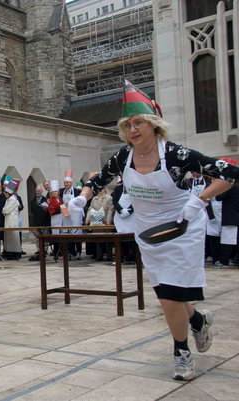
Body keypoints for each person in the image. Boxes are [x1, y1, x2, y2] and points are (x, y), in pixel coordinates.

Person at [67, 80, 239, 381]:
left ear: (153, 125)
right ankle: (196, 319)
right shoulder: (124, 157)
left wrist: (198, 201)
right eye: (128, 125)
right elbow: (97, 181)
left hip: (183, 227)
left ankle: (181, 352)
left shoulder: (177, 155)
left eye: (139, 123)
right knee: (168, 290)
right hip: (150, 231)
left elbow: (230, 173)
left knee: (169, 295)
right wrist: (81, 197)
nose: (133, 130)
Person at [85, 187, 114, 261]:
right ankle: (99, 255)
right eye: (98, 190)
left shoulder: (109, 198)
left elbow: (111, 210)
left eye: (101, 189)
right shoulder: (94, 198)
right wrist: (87, 219)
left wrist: (108, 220)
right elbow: (90, 209)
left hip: (105, 220)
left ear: (104, 189)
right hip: (96, 220)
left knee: (108, 240)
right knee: (98, 239)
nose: (100, 191)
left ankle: (109, 256)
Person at [60, 172, 83, 259]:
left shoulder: (77, 191)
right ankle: (71, 252)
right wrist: (63, 207)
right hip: (66, 216)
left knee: (76, 234)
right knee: (68, 234)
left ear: (71, 183)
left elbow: (80, 203)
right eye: (65, 182)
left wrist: (70, 204)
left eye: (68, 182)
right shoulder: (62, 191)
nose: (66, 184)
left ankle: (79, 252)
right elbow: (61, 203)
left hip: (75, 215)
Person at [112, 178, 135, 263]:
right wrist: (121, 210)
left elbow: (137, 200)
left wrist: (129, 210)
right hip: (120, 217)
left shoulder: (135, 188)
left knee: (133, 238)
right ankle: (120, 257)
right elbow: (114, 201)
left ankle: (134, 257)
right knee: (120, 238)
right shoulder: (118, 188)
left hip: (133, 216)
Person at [29, 185, 50, 261]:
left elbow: (48, 211)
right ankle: (39, 250)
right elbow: (32, 211)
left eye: (39, 191)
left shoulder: (46, 200)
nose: (38, 192)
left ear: (42, 191)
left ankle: (44, 250)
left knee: (45, 237)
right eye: (36, 191)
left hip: (44, 221)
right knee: (37, 238)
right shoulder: (32, 201)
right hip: (36, 222)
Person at [3, 180, 22, 260]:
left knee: (14, 237)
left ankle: (16, 253)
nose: (5, 195)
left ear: (9, 193)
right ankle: (9, 253)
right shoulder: (8, 200)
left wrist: (4, 210)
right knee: (9, 237)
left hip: (12, 220)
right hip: (8, 219)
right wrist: (4, 210)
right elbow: (4, 210)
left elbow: (6, 210)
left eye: (6, 193)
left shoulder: (13, 200)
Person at [47, 180, 64, 260]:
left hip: (62, 219)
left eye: (56, 192)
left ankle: (62, 251)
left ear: (58, 192)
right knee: (56, 236)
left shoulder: (61, 199)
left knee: (62, 235)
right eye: (53, 192)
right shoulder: (51, 201)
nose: (54, 193)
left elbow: (64, 209)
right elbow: (51, 211)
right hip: (55, 220)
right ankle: (56, 252)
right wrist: (60, 209)